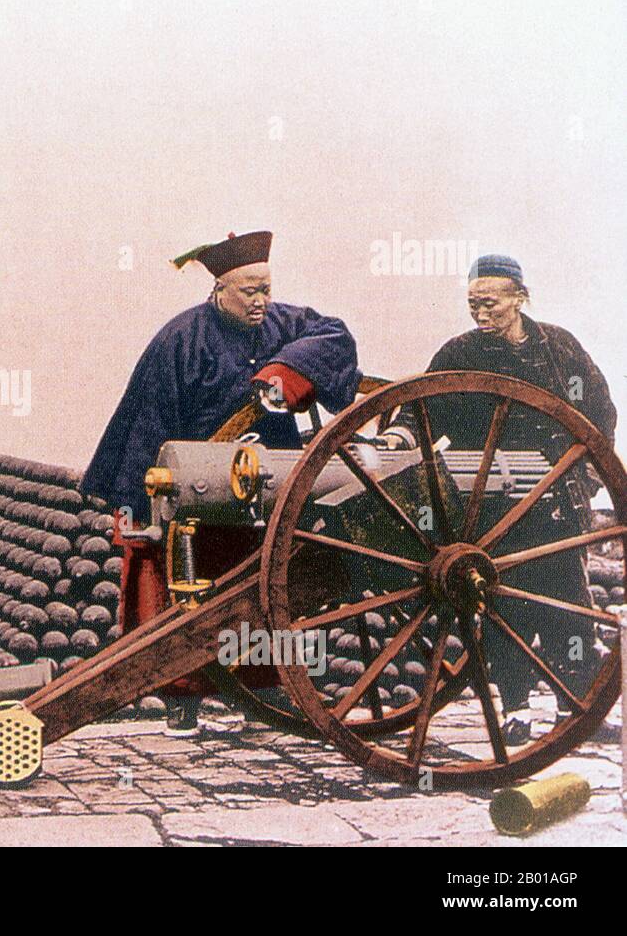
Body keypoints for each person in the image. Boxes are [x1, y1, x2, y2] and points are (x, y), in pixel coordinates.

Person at [81, 230, 362, 732]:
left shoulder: (286, 323)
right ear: (219, 290)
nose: (261, 302)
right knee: (190, 595)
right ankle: (183, 700)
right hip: (200, 493)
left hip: (271, 485)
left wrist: (289, 369)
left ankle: (266, 694)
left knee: (266, 591)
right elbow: (149, 421)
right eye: (249, 292)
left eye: (266, 289)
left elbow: (335, 336)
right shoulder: (180, 341)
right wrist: (143, 501)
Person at [391, 253, 615, 744]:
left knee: (567, 604)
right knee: (501, 608)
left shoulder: (559, 349)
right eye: (473, 303)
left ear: (519, 296)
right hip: (490, 509)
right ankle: (515, 708)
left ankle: (575, 703)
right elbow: (419, 409)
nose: (481, 312)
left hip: (555, 504)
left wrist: (589, 481)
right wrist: (402, 437)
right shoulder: (459, 353)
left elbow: (598, 414)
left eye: (490, 302)